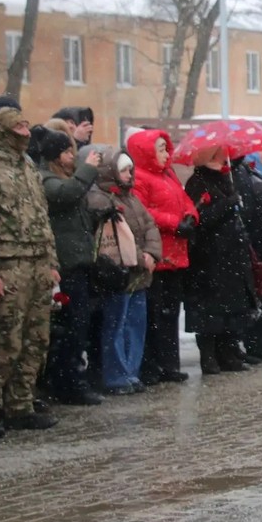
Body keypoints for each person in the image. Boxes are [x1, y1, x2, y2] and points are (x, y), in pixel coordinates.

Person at [0, 107, 60, 438]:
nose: (26, 131)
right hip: (8, 265)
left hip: (37, 264)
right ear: (5, 131)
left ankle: (21, 404)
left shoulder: (29, 167)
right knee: (4, 339)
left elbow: (42, 218)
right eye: (19, 126)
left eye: (26, 124)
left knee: (37, 338)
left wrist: (52, 264)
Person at [31, 126, 105, 406]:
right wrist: (87, 169)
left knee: (78, 326)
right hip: (65, 266)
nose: (71, 156)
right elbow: (66, 194)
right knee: (70, 329)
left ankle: (71, 379)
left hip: (77, 263)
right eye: (66, 151)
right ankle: (66, 382)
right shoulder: (47, 179)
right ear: (53, 156)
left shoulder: (64, 177)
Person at [85, 148, 161, 395]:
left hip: (137, 275)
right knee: (116, 325)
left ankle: (131, 372)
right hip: (119, 273)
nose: (130, 175)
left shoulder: (131, 197)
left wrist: (151, 253)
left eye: (130, 170)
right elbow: (117, 238)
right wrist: (141, 258)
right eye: (125, 170)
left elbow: (149, 224)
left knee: (134, 325)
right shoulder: (101, 199)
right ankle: (116, 375)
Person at [128, 129, 197, 384]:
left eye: (166, 148)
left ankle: (169, 363)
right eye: (160, 148)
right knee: (154, 315)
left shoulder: (168, 175)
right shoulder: (140, 178)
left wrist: (191, 216)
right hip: (158, 256)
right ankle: (152, 366)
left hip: (175, 256)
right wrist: (174, 223)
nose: (166, 153)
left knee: (169, 315)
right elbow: (143, 212)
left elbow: (185, 200)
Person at [183, 147, 260, 374]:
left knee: (232, 308)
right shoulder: (197, 182)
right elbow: (199, 217)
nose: (221, 159)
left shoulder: (226, 178)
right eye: (215, 155)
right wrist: (228, 204)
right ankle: (209, 356)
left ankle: (228, 353)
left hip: (232, 254)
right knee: (210, 310)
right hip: (209, 257)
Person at [232, 148, 262, 362]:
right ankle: (253, 343)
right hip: (254, 244)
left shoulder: (254, 173)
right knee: (257, 295)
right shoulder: (238, 175)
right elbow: (247, 211)